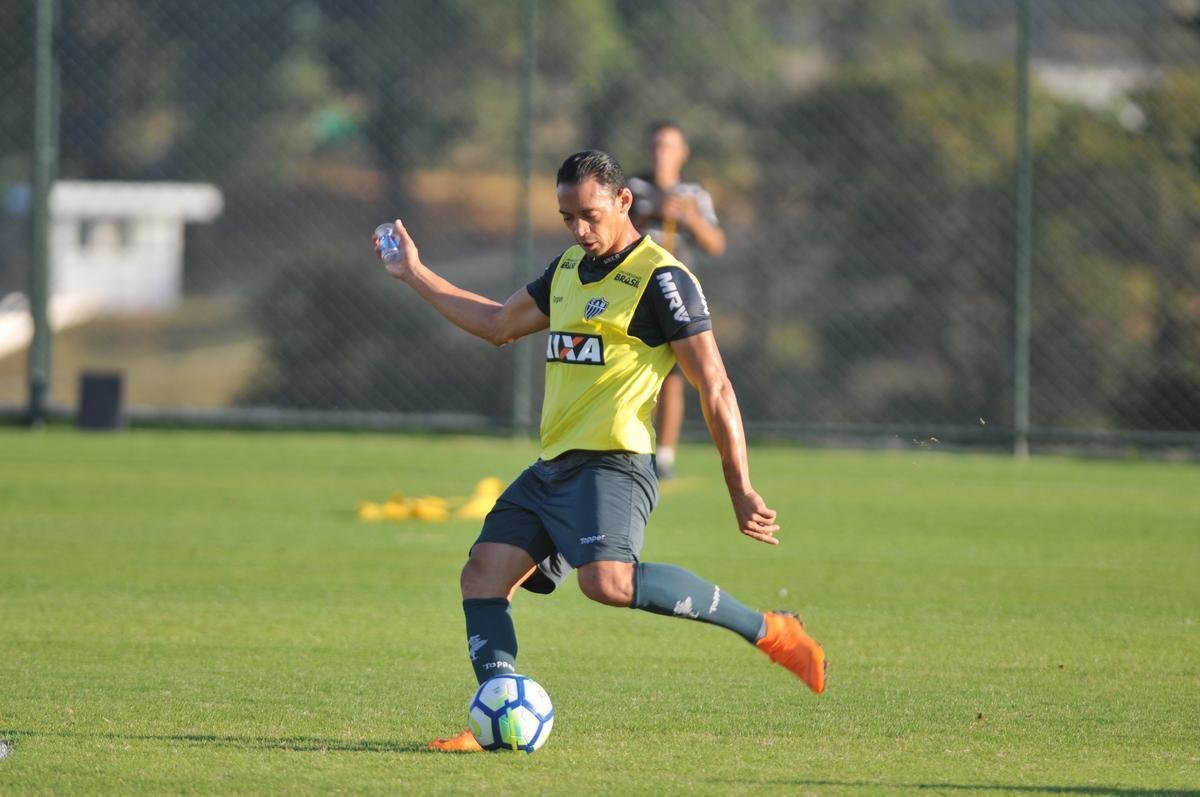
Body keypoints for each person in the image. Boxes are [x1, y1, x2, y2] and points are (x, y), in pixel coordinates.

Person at [373, 150, 825, 753]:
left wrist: (739, 487)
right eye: (567, 219)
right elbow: (498, 324)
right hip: (554, 466)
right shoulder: (566, 270)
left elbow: (714, 384)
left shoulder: (662, 280)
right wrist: (416, 274)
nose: (579, 230)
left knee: (607, 583)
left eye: (588, 215)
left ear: (622, 202)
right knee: (482, 574)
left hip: (615, 464)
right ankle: (500, 709)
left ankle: (771, 630)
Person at [628, 122, 726, 480]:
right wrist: (650, 212)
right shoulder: (633, 188)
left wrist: (687, 216)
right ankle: (632, 449)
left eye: (670, 146)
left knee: (673, 377)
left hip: (676, 295)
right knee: (634, 371)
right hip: (634, 291)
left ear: (683, 152)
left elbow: (716, 244)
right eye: (656, 145)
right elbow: (615, 233)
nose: (661, 153)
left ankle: (663, 457)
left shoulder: (695, 193)